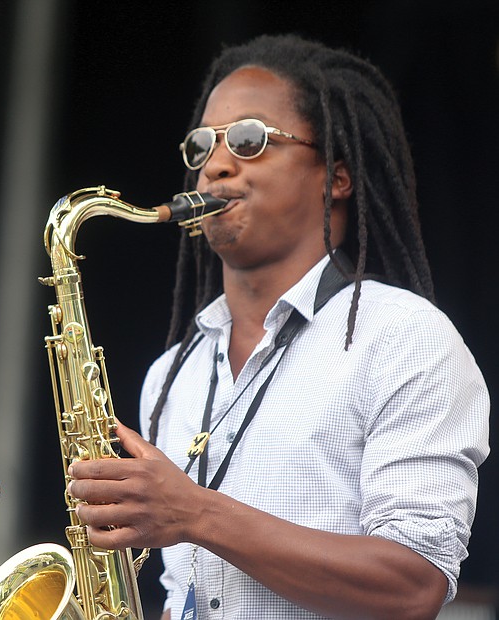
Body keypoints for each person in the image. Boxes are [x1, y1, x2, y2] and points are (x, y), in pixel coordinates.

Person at [67, 34, 490, 619]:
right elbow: (184, 593)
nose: (214, 164)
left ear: (337, 177)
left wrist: (196, 513)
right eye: (200, 146)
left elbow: (413, 585)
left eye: (249, 139)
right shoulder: (173, 372)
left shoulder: (406, 339)